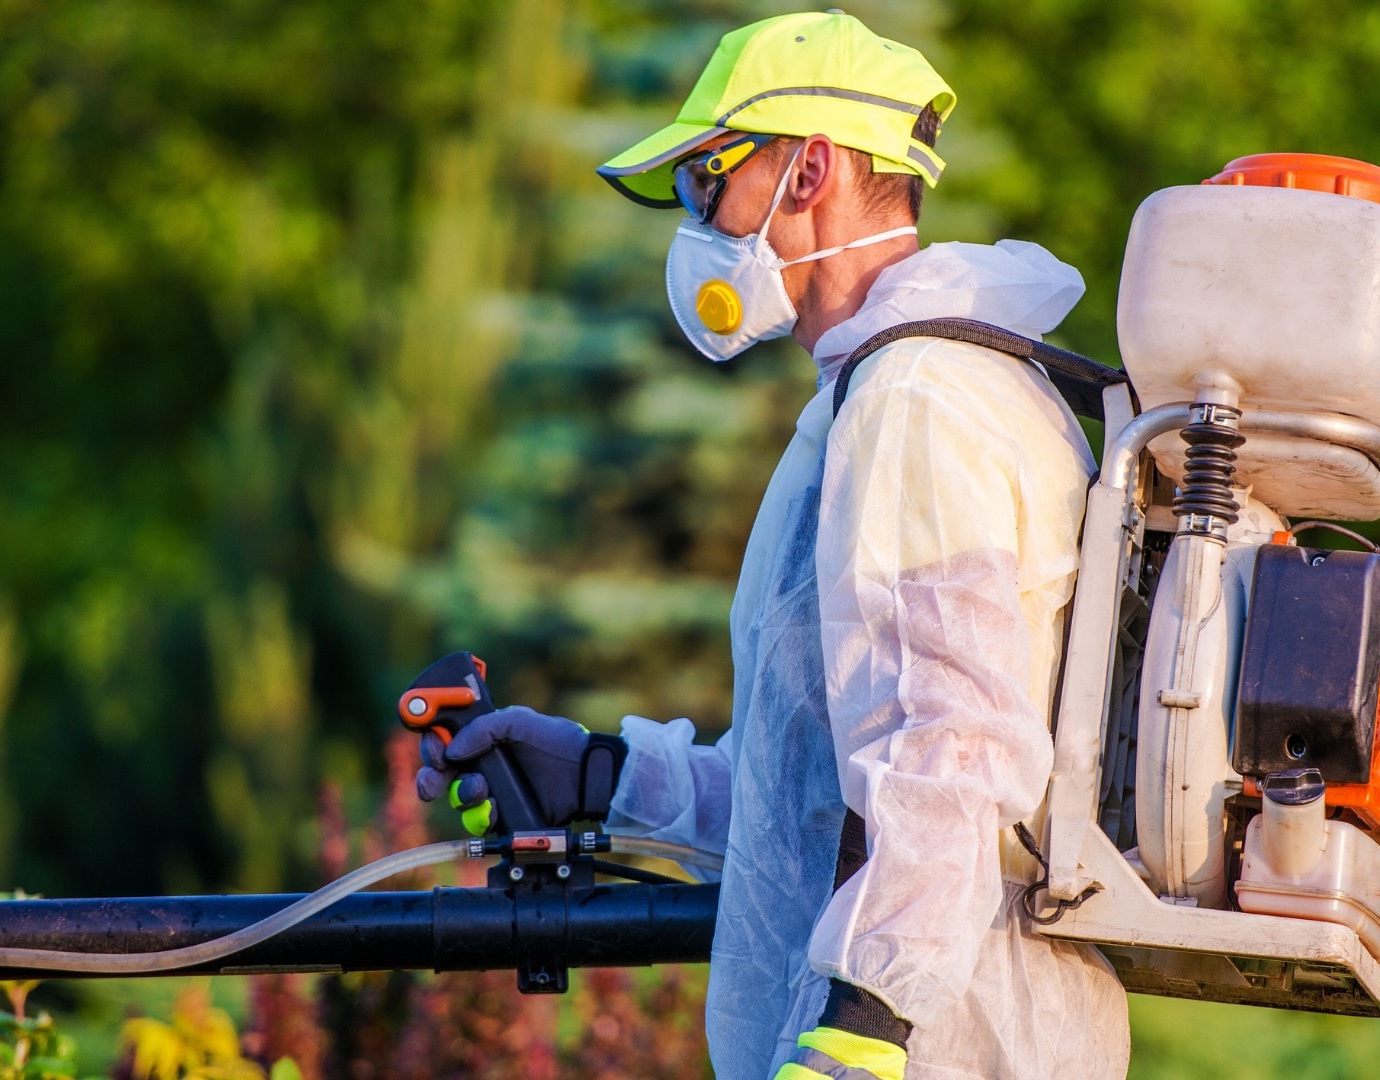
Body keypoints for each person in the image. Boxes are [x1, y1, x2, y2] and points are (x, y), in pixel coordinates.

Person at [416, 12, 1131, 1079]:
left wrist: (863, 1031)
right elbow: (820, 800)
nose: (695, 219)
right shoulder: (884, 391)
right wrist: (608, 779)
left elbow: (958, 747)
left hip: (941, 1049)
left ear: (810, 170)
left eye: (709, 179)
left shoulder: (920, 399)